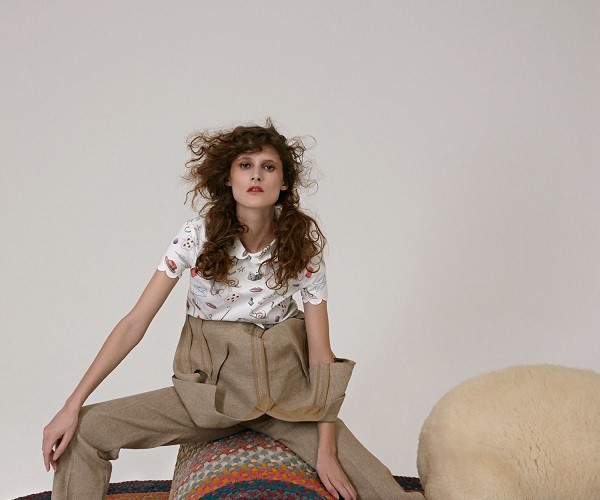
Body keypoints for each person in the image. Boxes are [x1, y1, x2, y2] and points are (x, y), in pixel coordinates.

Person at [42, 120, 416, 499]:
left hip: (287, 402)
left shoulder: (301, 248)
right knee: (84, 431)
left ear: (284, 183)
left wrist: (327, 451)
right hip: (207, 401)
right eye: (245, 165)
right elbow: (134, 323)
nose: (256, 175)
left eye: (268, 167)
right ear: (228, 178)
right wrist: (72, 405)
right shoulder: (196, 237)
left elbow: (320, 354)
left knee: (387, 495)